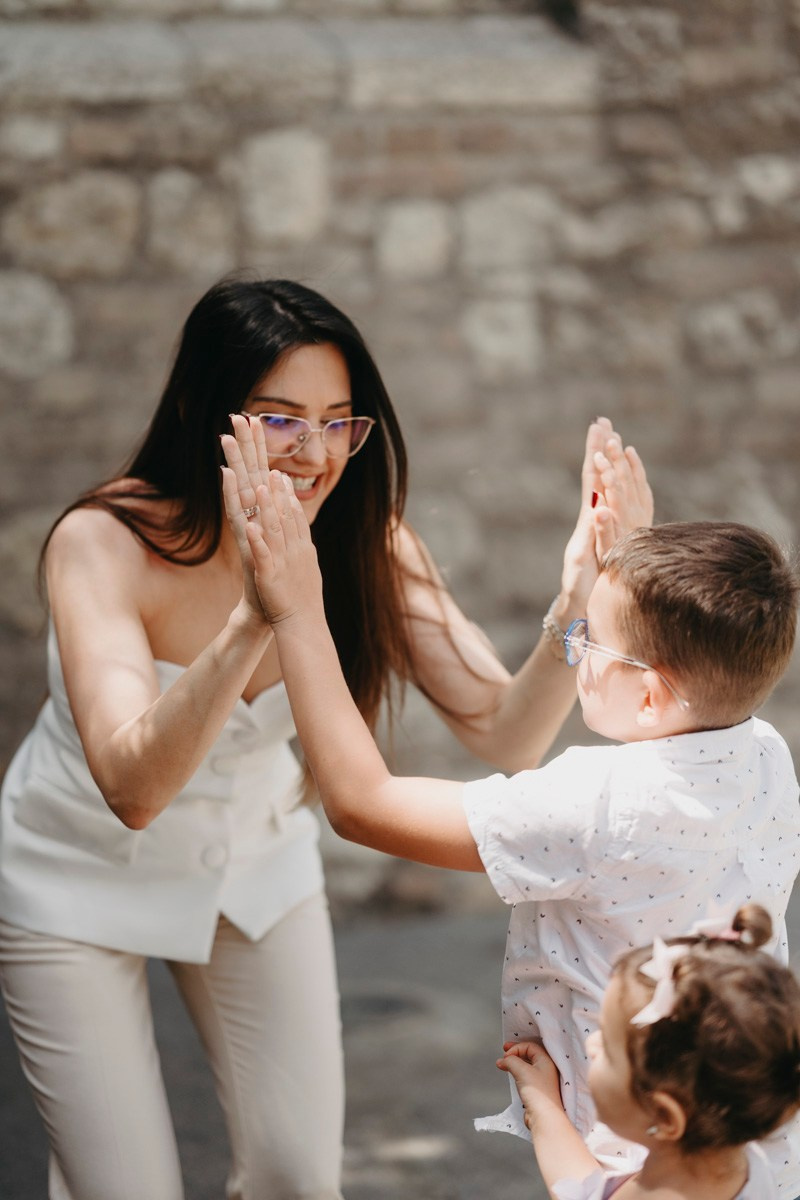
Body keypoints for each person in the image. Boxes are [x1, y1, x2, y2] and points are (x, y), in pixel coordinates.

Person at [0, 275, 648, 1200]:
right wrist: (260, 613)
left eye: (340, 421)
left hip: (258, 872)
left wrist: (578, 598)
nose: (316, 453)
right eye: (280, 419)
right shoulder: (101, 543)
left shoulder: (371, 542)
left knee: (299, 1178)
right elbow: (132, 791)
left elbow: (507, 734)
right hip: (75, 879)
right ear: (204, 412)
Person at [218, 442, 800, 1195]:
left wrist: (298, 609)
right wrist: (611, 577)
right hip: (751, 1148)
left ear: (652, 697)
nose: (577, 650)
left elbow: (362, 806)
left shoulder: (595, 803)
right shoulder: (765, 755)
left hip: (626, 1148)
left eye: (591, 639)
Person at [497, 903, 800, 1200]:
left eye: (609, 1050)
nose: (591, 1044)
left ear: (665, 1115)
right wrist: (543, 1107)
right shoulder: (749, 1165)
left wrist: (544, 1106)